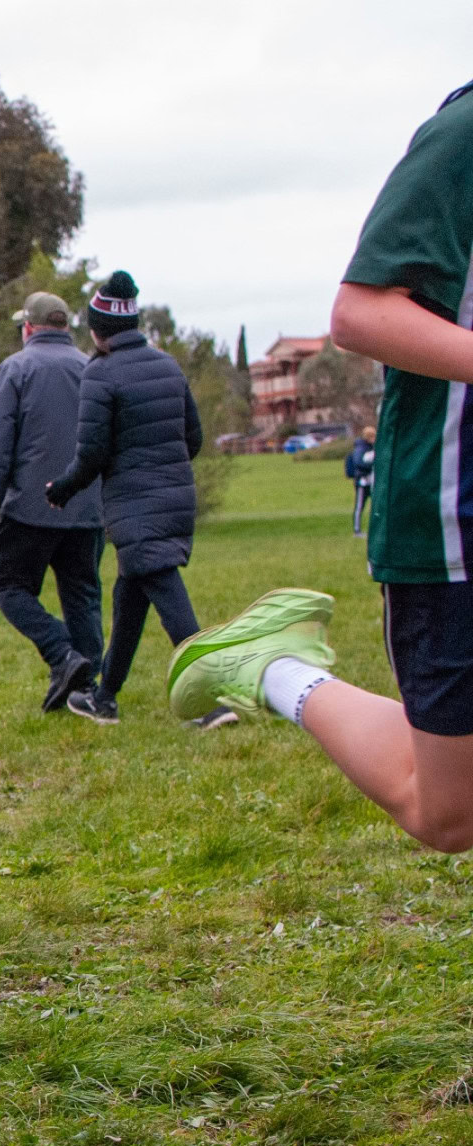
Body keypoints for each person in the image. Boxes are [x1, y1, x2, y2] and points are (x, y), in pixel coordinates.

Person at [169, 79, 473, 855]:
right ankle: (273, 668)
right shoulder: (464, 136)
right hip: (451, 523)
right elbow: (359, 313)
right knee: (447, 814)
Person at [46, 271, 233, 731]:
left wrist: (63, 489)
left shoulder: (100, 374)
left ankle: (211, 701)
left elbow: (91, 454)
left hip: (134, 505)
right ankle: (105, 698)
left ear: (98, 328)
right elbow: (193, 438)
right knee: (130, 596)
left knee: (168, 596)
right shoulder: (168, 366)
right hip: (174, 498)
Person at [0, 291, 104, 714]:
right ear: (65, 327)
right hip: (87, 509)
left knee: (9, 587)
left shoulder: (14, 370)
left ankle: (62, 654)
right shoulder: (92, 369)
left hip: (29, 509)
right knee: (82, 596)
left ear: (27, 328)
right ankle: (89, 691)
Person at [346, 425, 376, 536]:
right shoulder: (361, 448)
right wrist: (372, 465)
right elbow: (359, 463)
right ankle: (357, 530)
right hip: (362, 482)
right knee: (359, 506)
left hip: (371, 481)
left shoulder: (371, 447)